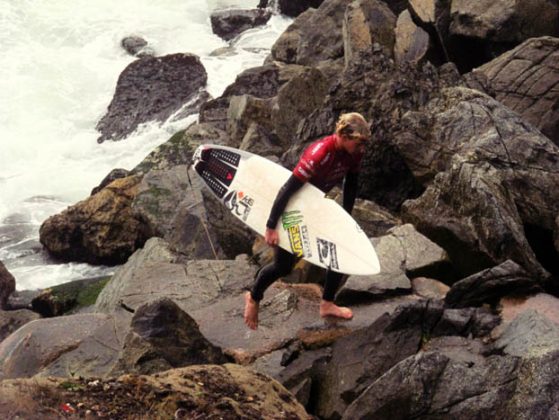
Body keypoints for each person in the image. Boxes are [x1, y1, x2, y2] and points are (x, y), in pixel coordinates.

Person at [244, 112, 371, 330]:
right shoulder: (320, 153)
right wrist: (271, 226)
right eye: (359, 143)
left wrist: (346, 219)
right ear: (344, 135)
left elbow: (351, 185)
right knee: (284, 267)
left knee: (340, 248)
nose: (362, 149)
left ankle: (327, 303)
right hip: (292, 209)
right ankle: (254, 298)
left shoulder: (354, 154)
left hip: (316, 206)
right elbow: (287, 189)